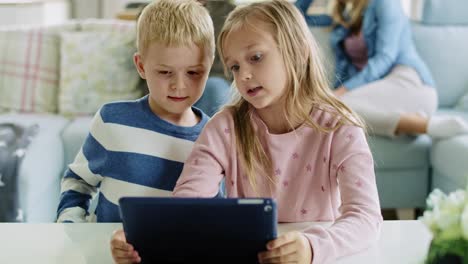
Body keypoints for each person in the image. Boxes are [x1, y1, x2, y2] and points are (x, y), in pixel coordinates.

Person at [110, 1, 382, 263]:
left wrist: (313, 247)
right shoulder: (225, 127)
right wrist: (141, 238)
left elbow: (365, 217)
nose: (244, 76)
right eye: (235, 67)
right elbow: (188, 204)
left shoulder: (341, 127)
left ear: (297, 51)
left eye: (256, 57)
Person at [56, 0, 215, 223]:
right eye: (165, 72)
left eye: (193, 73)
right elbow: (78, 182)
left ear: (209, 65)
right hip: (107, 254)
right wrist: (73, 228)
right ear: (141, 66)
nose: (179, 85)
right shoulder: (112, 121)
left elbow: (215, 214)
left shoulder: (214, 138)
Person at [296, 0, 468, 138]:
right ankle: (416, 124)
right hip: (377, 93)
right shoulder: (344, 13)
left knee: (335, 107)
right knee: (329, 108)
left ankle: (425, 126)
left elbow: (385, 58)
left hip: (409, 83)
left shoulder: (384, 3)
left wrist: (342, 90)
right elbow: (296, 16)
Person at [195, 0, 236, 116]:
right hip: (176, 77)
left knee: (215, 89)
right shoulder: (165, 13)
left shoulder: (229, 13)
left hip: (215, 79)